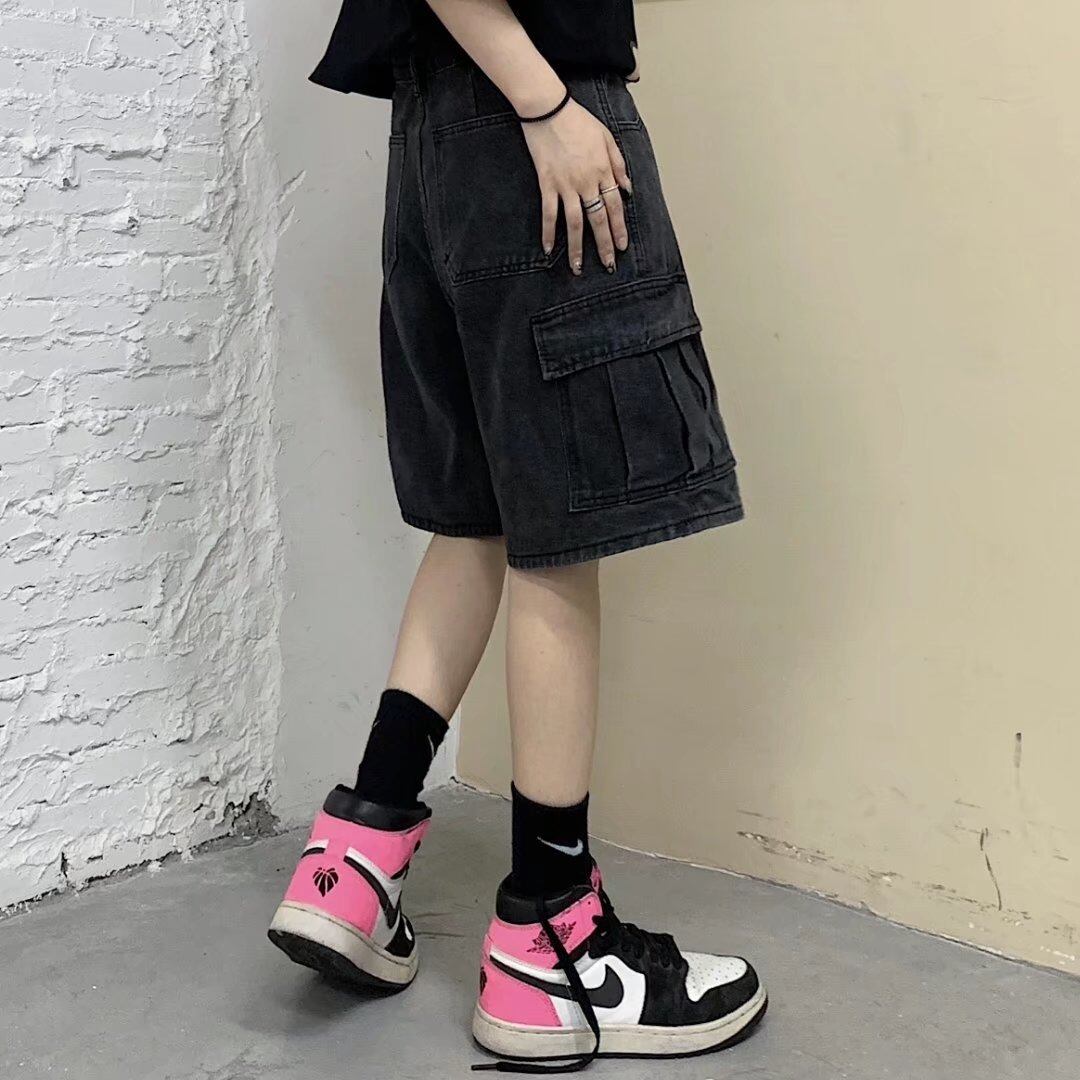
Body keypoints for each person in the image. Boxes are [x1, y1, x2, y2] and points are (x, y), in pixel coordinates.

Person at [268, 0, 766, 1069]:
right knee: (558, 531)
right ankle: (555, 936)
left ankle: (354, 860)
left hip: (433, 142)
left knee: (479, 523)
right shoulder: (538, 105)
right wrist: (546, 104)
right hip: (525, 119)